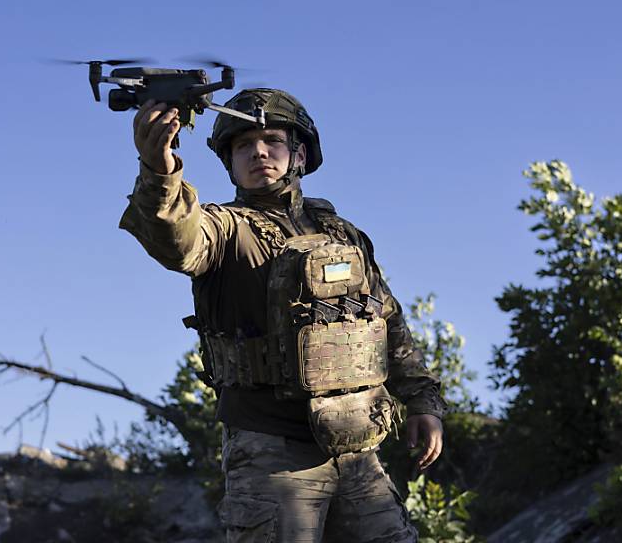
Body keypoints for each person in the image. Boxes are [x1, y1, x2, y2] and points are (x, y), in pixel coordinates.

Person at [119, 88, 446, 542]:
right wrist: (160, 169)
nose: (258, 151)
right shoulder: (224, 229)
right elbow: (176, 237)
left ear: (299, 152)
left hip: (357, 447)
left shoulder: (339, 232)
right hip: (270, 452)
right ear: (229, 162)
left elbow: (385, 318)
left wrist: (422, 401)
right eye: (241, 145)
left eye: (272, 139)